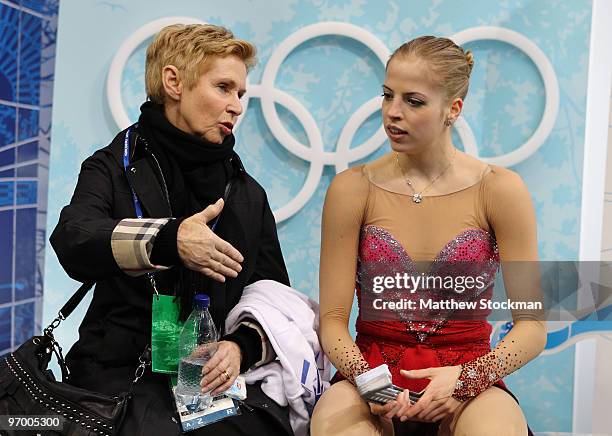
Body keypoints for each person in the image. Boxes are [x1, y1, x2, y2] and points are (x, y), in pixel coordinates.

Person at [50, 24, 293, 435]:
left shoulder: (247, 192)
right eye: (223, 87)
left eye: (240, 94)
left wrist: (242, 347)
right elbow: (74, 238)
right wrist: (168, 239)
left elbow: (273, 294)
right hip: (119, 372)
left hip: (212, 380)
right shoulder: (111, 167)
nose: (236, 106)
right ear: (174, 82)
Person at [311, 36, 546, 436]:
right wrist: (373, 385)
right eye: (387, 95)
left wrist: (467, 380)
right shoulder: (352, 189)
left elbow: (532, 325)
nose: (392, 113)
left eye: (413, 101)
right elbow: (332, 321)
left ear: (453, 109)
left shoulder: (501, 190)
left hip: (467, 377)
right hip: (370, 375)